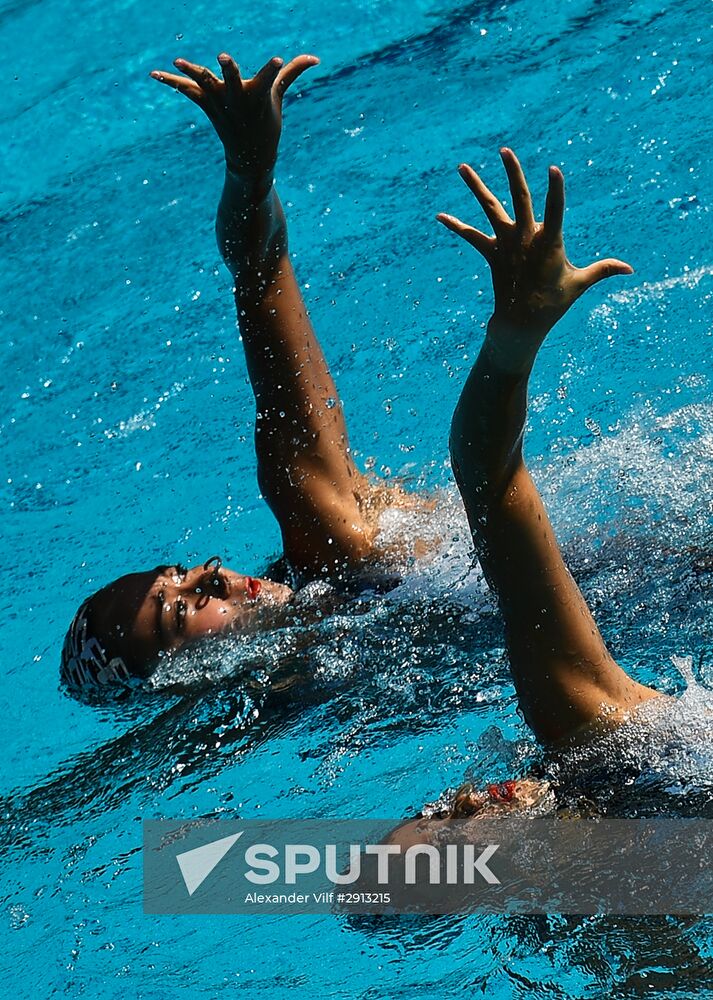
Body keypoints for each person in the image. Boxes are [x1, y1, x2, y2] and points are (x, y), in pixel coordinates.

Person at [61, 51, 424, 692]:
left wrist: (249, 176)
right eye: (179, 610)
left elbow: (259, 272)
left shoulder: (329, 540)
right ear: (178, 676)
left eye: (181, 573)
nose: (212, 573)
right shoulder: (308, 672)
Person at [387, 148, 670, 843]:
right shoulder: (624, 922)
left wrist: (513, 336)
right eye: (454, 832)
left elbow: (488, 474)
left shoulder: (593, 738)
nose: (463, 800)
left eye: (435, 810)